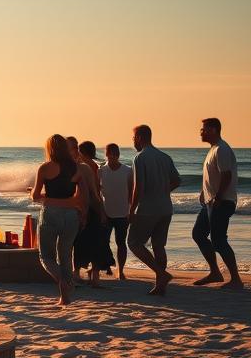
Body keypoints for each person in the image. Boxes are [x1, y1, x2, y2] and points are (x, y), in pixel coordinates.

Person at [31, 134, 86, 306]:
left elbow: (34, 196)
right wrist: (74, 207)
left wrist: (48, 198)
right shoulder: (76, 168)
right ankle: (65, 296)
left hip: (50, 213)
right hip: (71, 215)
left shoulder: (45, 168)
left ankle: (62, 281)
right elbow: (81, 196)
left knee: (46, 256)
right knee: (65, 255)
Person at [127, 124, 180, 296]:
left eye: (133, 137)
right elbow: (177, 180)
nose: (132, 141)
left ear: (140, 138)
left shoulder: (139, 158)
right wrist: (163, 191)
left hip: (147, 209)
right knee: (159, 245)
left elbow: (138, 186)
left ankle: (161, 274)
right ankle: (160, 285)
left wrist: (132, 209)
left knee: (134, 242)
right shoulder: (165, 157)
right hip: (165, 208)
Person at [192, 118, 243, 290]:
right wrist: (204, 193)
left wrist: (219, 197)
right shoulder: (213, 149)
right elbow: (212, 176)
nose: (201, 132)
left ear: (213, 130)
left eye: (204, 129)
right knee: (198, 234)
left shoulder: (222, 149)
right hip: (210, 202)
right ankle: (215, 272)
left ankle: (236, 279)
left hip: (222, 202)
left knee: (219, 240)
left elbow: (226, 175)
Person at [72, 140, 112, 287]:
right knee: (97, 243)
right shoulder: (93, 166)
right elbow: (96, 191)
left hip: (86, 208)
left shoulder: (84, 166)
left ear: (80, 152)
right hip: (91, 208)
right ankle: (93, 276)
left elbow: (92, 191)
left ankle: (78, 273)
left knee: (81, 242)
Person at [99, 143, 133, 280]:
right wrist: (101, 211)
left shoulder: (127, 170)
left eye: (114, 153)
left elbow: (132, 191)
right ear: (106, 154)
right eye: (109, 153)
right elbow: (97, 193)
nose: (112, 156)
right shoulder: (101, 170)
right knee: (104, 241)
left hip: (123, 213)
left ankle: (121, 270)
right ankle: (107, 266)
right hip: (106, 212)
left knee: (121, 242)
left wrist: (131, 210)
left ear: (118, 154)